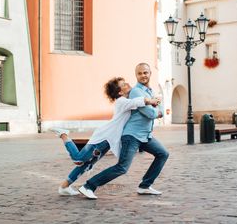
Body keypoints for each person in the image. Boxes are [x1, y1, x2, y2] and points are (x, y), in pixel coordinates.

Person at [50, 77, 160, 196]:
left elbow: (138, 103)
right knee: (79, 159)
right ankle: (63, 134)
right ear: (120, 92)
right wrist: (151, 100)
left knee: (87, 165)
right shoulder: (121, 101)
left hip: (108, 140)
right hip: (103, 138)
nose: (128, 84)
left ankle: (64, 187)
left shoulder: (125, 101)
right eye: (124, 84)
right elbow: (137, 102)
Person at [78, 63, 169, 200]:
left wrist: (159, 108)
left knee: (163, 154)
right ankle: (88, 186)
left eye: (145, 72)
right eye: (140, 73)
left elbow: (160, 106)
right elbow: (150, 113)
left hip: (145, 135)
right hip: (132, 136)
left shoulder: (149, 90)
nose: (143, 75)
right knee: (122, 167)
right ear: (136, 75)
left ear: (150, 73)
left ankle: (145, 186)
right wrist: (159, 112)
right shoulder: (137, 92)